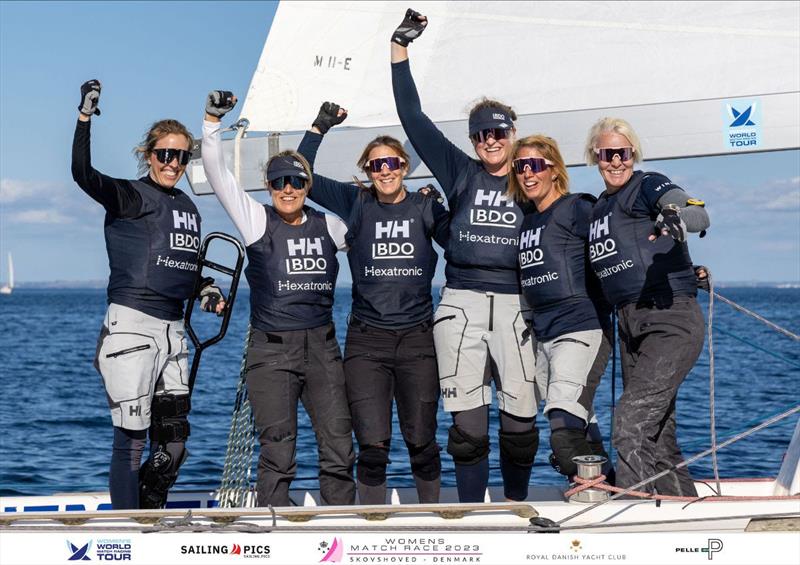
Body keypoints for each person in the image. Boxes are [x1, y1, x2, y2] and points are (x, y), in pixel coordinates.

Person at [391, 9, 538, 502]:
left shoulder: (534, 174)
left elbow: (578, 228)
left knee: (520, 422)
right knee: (468, 426)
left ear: (512, 133)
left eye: (498, 132)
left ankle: (516, 505)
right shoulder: (459, 170)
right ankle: (472, 512)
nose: (490, 141)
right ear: (473, 140)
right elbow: (412, 120)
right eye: (481, 134)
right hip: (462, 302)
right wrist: (400, 50)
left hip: (519, 303)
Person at [71, 80, 224, 510]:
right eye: (164, 154)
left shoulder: (188, 207)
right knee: (133, 440)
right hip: (132, 327)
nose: (172, 163)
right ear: (149, 155)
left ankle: (147, 513)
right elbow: (83, 174)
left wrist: (208, 290)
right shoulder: (129, 196)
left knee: (173, 443)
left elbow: (184, 266)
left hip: (174, 331)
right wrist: (84, 117)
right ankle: (126, 530)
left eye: (180, 155)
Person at [202, 92, 355, 507]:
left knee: (340, 443)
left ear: (308, 185)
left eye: (297, 181)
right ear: (268, 187)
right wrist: (212, 122)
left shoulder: (332, 226)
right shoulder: (255, 221)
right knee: (278, 448)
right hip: (271, 354)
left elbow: (375, 233)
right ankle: (274, 522)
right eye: (279, 183)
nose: (288, 190)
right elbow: (217, 174)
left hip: (322, 348)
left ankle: (344, 521)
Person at [296, 102, 449, 505]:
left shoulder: (425, 206)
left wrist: (445, 199)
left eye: (393, 163)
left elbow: (464, 238)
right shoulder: (356, 203)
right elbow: (302, 175)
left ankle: (434, 517)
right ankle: (371, 522)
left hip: (418, 341)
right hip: (368, 343)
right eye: (377, 165)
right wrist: (319, 126)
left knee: (422, 442)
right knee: (373, 447)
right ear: (368, 170)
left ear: (404, 167)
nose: (386, 171)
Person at [585, 117, 710, 496]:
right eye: (608, 154)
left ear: (633, 154)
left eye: (623, 153)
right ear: (596, 157)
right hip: (629, 325)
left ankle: (639, 515)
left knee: (629, 423)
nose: (616, 162)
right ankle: (682, 512)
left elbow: (695, 212)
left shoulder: (647, 185)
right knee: (658, 434)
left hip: (669, 319)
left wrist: (675, 217)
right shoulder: (598, 210)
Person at [507, 135, 614, 482]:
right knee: (581, 419)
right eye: (520, 166)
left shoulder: (576, 207)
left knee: (564, 427)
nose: (527, 173)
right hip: (544, 336)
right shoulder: (528, 220)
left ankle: (594, 493)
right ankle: (608, 489)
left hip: (581, 327)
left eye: (535, 165)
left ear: (553, 170)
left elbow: (618, 238)